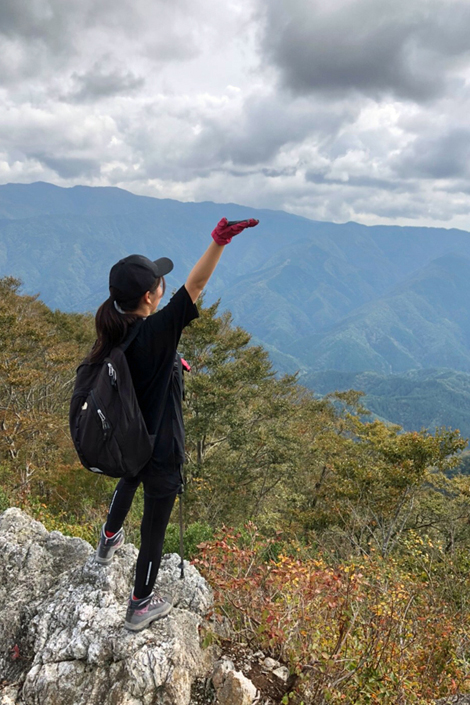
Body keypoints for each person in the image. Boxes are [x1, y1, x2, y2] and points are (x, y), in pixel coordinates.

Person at [89, 216, 259, 631]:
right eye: (159, 284)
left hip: (129, 441)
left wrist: (171, 367)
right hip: (161, 447)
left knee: (128, 481)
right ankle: (140, 603)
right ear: (149, 297)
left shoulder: (113, 328)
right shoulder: (157, 331)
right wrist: (218, 242)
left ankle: (109, 538)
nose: (164, 287)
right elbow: (195, 287)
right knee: (153, 530)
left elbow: (135, 371)